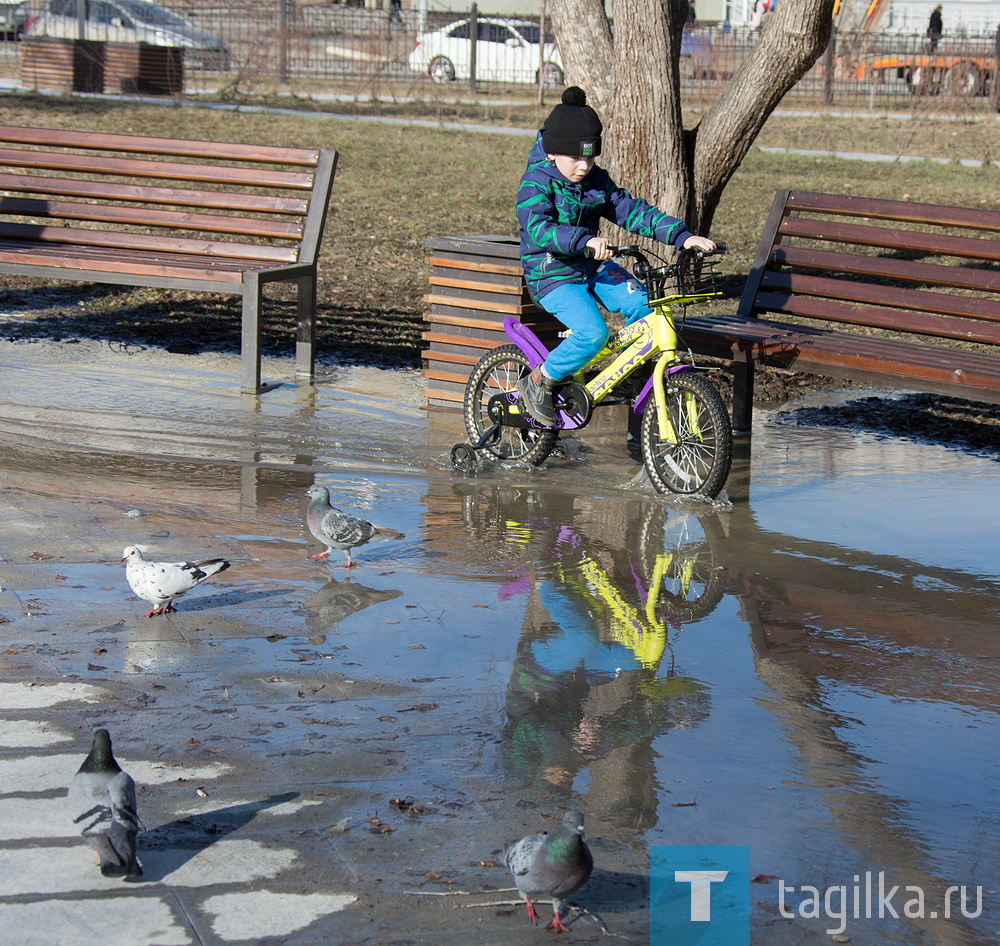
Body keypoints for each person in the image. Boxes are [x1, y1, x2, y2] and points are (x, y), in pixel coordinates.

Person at [514, 86, 716, 427]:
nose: (583, 166)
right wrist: (584, 241)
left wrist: (683, 236)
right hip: (552, 275)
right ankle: (539, 381)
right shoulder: (535, 184)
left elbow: (632, 212)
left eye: (590, 157)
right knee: (593, 334)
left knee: (645, 306)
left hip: (591, 267)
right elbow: (540, 229)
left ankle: (634, 369)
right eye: (575, 158)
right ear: (552, 154)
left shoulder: (595, 181)